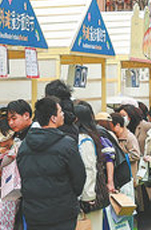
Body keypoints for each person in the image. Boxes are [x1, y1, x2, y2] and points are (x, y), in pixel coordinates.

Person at [17, 96, 86, 230]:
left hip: (34, 213)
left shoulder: (24, 145)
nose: (63, 114)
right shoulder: (67, 144)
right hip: (62, 213)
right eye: (60, 112)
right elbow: (79, 178)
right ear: (53, 118)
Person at [74, 101, 110, 229]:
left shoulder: (84, 139)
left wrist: (88, 196)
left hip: (91, 196)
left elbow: (89, 168)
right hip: (94, 193)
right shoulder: (91, 135)